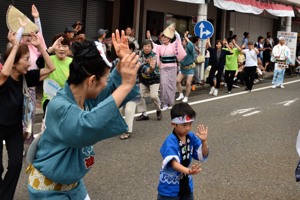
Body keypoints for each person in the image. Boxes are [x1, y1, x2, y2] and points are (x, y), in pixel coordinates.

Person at [27, 30, 140, 199]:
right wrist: (125, 86)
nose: (106, 85)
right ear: (91, 80)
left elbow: (108, 94)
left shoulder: (83, 96)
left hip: (74, 185)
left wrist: (122, 61)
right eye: (105, 80)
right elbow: (88, 126)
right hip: (48, 190)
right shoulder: (59, 106)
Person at [0, 22, 55, 199]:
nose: (29, 62)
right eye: (25, 59)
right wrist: (16, 45)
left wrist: (40, 46)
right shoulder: (4, 78)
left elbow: (51, 68)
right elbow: (4, 74)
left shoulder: (26, 78)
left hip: (14, 128)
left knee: (16, 165)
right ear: (14, 63)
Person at [157, 102, 209, 200]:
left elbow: (202, 154)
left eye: (190, 124)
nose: (188, 128)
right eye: (184, 125)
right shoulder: (170, 141)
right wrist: (188, 171)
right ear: (174, 124)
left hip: (186, 183)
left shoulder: (191, 136)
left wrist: (204, 142)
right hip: (169, 188)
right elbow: (173, 163)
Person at [146, 24, 186, 111]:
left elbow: (178, 38)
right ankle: (164, 103)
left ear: (169, 38)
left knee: (171, 85)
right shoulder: (160, 47)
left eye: (165, 37)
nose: (163, 39)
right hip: (163, 68)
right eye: (162, 38)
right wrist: (149, 38)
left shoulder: (173, 44)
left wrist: (174, 31)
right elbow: (153, 46)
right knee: (163, 85)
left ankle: (170, 102)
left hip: (172, 68)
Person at [42, 34, 72, 113]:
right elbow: (39, 62)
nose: (61, 49)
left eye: (65, 46)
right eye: (58, 46)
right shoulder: (48, 59)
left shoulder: (73, 62)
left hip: (67, 101)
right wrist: (50, 49)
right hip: (50, 100)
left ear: (69, 47)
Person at [135, 39, 162, 121]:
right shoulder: (140, 54)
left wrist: (151, 67)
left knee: (154, 96)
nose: (146, 48)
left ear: (151, 47)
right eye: (145, 46)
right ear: (142, 47)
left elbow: (151, 69)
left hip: (154, 79)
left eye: (148, 46)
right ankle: (144, 114)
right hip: (143, 79)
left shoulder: (153, 56)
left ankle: (159, 110)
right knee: (139, 95)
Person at [119, 42, 141, 140]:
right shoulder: (117, 61)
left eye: (127, 48)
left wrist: (150, 69)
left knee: (128, 110)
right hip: (121, 90)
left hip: (133, 91)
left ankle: (127, 130)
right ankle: (120, 127)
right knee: (118, 110)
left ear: (132, 50)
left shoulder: (136, 60)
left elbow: (143, 68)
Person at [176, 31, 196, 103]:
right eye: (182, 40)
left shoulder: (190, 48)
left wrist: (186, 37)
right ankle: (181, 94)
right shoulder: (181, 48)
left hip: (190, 68)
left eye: (183, 40)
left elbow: (191, 45)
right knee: (177, 81)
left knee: (188, 83)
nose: (182, 42)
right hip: (183, 68)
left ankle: (186, 97)